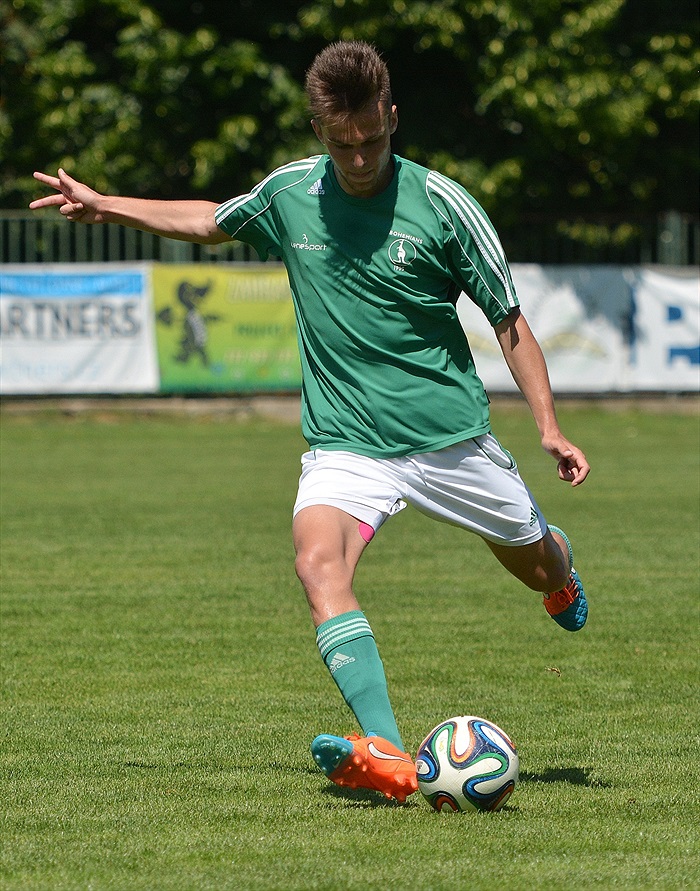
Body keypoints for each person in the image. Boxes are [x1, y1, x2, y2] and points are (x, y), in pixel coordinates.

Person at [30, 40, 590, 803]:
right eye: (342, 144)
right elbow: (209, 220)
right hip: (347, 443)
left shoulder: (445, 206)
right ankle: (388, 751)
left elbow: (509, 320)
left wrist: (549, 426)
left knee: (540, 566)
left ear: (392, 118)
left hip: (451, 441)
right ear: (319, 130)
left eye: (372, 141)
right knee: (316, 563)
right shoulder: (290, 194)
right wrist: (104, 204)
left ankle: (559, 565)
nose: (359, 160)